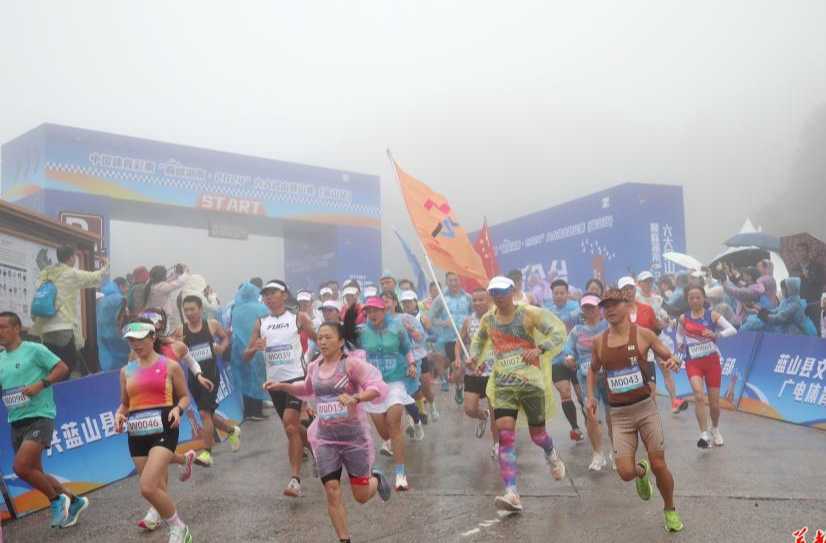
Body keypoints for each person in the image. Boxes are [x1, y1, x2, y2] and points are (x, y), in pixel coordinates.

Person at [265, 320, 392, 543]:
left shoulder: (352, 365)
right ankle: (344, 539)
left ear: (341, 341)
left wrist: (356, 397)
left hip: (354, 439)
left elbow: (377, 387)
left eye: (328, 337)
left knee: (361, 496)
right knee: (332, 490)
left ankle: (377, 479)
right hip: (325, 439)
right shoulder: (314, 366)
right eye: (320, 337)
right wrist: (281, 385)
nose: (322, 342)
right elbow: (306, 389)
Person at [586, 289, 684, 532]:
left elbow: (671, 357)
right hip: (618, 414)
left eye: (614, 304)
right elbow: (592, 370)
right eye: (605, 306)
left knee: (659, 463)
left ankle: (670, 509)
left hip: (644, 408)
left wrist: (675, 361)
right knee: (625, 472)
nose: (608, 309)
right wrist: (590, 396)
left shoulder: (644, 335)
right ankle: (642, 473)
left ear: (626, 305)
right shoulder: (599, 340)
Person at [468, 276, 567, 512]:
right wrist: (474, 358)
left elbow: (558, 333)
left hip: (530, 383)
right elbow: (479, 341)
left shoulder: (529, 314)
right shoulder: (488, 319)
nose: (498, 297)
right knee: (505, 435)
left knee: (538, 435)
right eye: (494, 293)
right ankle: (512, 492)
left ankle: (551, 452)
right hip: (503, 384)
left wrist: (538, 349)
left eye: (502, 292)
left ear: (512, 291)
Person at [0, 311, 88, 529]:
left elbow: (62, 368)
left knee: (20, 468)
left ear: (17, 328)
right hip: (17, 419)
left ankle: (56, 500)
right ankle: (74, 501)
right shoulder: (1, 358)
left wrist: (41, 384)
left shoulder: (34, 349)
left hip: (40, 415)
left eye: (3, 327)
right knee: (36, 472)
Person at [116, 322, 193, 543]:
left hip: (165, 427)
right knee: (156, 488)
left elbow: (185, 397)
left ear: (152, 337)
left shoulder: (170, 366)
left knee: (147, 487)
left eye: (140, 339)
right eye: (131, 340)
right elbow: (124, 404)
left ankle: (178, 528)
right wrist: (118, 415)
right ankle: (173, 523)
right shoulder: (126, 372)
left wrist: (178, 409)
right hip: (137, 434)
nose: (136, 344)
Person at [244, 280, 318, 498]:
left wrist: (326, 364)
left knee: (289, 426)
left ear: (285, 295)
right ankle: (318, 450)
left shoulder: (298, 318)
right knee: (293, 428)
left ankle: (295, 480)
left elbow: (319, 340)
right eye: (266, 294)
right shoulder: (261, 323)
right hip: (274, 384)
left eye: (273, 292)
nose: (269, 297)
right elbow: (245, 355)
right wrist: (253, 349)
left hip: (296, 380)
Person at [357, 296, 418, 491]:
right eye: (369, 311)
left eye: (376, 310)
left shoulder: (397, 328)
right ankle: (394, 432)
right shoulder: (362, 332)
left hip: (395, 380)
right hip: (372, 384)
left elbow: (408, 350)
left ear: (384, 311)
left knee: (392, 424)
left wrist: (412, 364)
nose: (372, 314)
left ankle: (401, 475)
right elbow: (354, 356)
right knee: (385, 433)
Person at [175, 296, 241, 466]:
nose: (189, 313)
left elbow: (226, 338)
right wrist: (178, 344)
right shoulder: (180, 330)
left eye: (192, 309)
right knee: (209, 414)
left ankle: (207, 453)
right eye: (186, 310)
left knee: (204, 413)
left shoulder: (211, 324)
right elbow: (174, 352)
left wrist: (221, 348)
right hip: (193, 378)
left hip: (211, 376)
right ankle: (231, 431)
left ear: (200, 309)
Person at [31, 244, 109, 377]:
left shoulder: (45, 274)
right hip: (64, 327)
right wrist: (106, 265)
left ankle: (53, 391)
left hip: (45, 329)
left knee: (52, 365)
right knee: (67, 364)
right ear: (71, 258)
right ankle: (63, 393)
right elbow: (96, 277)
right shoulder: (71, 273)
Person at [677, 286, 737, 448]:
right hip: (693, 362)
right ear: (687, 300)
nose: (695, 301)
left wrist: (717, 334)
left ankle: (714, 428)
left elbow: (733, 329)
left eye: (698, 297)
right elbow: (679, 333)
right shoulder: (684, 318)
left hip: (711, 362)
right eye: (691, 298)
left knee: (714, 403)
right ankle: (703, 434)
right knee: (698, 394)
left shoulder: (713, 315)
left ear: (704, 298)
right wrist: (680, 343)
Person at [561, 295, 610, 470]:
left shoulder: (607, 325)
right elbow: (568, 350)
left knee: (612, 417)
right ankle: (598, 455)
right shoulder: (577, 330)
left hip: (609, 376)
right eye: (586, 307)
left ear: (599, 308)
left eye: (592, 306)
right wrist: (569, 358)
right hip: (587, 379)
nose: (589, 310)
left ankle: (617, 451)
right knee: (591, 415)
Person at [634, 272, 686, 414]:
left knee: (667, 371)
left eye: (651, 281)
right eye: (646, 281)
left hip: (658, 339)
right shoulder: (635, 299)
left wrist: (668, 322)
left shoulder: (657, 299)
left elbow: (665, 315)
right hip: (643, 342)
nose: (649, 284)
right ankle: (648, 409)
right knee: (647, 376)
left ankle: (675, 402)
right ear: (639, 283)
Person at [456, 288, 499, 458]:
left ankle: (496, 445)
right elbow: (459, 343)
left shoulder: (497, 319)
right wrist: (458, 358)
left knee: (496, 411)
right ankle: (482, 416)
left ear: (488, 300)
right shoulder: (468, 321)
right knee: (469, 409)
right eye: (474, 300)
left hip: (492, 373)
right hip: (473, 372)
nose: (477, 303)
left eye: (481, 299)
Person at [544, 279, 585, 442]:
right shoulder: (547, 312)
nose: (559, 296)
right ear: (552, 294)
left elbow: (583, 331)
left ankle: (590, 419)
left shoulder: (576, 309)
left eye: (562, 293)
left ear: (567, 293)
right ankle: (575, 428)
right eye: (556, 293)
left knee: (582, 396)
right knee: (564, 391)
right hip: (556, 360)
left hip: (575, 358)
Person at [229, 283, 270, 421]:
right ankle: (257, 410)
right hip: (257, 346)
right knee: (257, 378)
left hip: (239, 348)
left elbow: (229, 327)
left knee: (245, 379)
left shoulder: (235, 309)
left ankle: (247, 411)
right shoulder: (262, 308)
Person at [429, 272, 472, 398]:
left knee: (466, 366)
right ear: (446, 282)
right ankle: (458, 386)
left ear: (460, 280)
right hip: (450, 339)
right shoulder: (441, 299)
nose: (453, 283)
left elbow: (475, 314)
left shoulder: (468, 298)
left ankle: (462, 386)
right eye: (450, 280)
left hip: (467, 338)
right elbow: (430, 318)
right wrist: (443, 322)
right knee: (457, 367)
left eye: (456, 280)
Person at [400, 290, 439, 424]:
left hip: (421, 357)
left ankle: (432, 406)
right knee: (410, 390)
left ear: (416, 302)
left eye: (409, 302)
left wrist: (424, 337)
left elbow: (435, 336)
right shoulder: (400, 318)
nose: (407, 305)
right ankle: (417, 417)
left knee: (426, 390)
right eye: (404, 302)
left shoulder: (422, 318)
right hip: (406, 359)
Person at [745, 278, 816, 335]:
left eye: (783, 289)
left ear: (790, 289)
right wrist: (756, 307)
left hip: (795, 337)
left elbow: (778, 319)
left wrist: (760, 314)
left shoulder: (794, 305)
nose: (781, 291)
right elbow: (775, 311)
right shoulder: (786, 301)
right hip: (785, 335)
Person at [789, 242, 826, 335]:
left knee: (815, 327)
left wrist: (809, 277)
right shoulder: (794, 268)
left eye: (803, 250)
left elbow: (823, 281)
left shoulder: (817, 266)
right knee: (801, 328)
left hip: (814, 302)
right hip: (800, 303)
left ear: (807, 252)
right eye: (798, 251)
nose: (800, 253)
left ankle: (817, 348)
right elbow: (790, 285)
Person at [144, 265, 190, 334]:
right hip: (160, 316)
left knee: (154, 335)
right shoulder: (161, 287)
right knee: (162, 335)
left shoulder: (151, 285)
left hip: (151, 315)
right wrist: (185, 272)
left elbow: (167, 281)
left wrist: (176, 274)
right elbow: (178, 283)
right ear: (162, 276)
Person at [98, 279, 131, 372]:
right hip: (117, 335)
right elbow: (125, 317)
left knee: (107, 359)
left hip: (103, 335)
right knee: (121, 364)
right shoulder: (119, 298)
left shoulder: (103, 300)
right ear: (120, 286)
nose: (127, 289)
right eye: (126, 286)